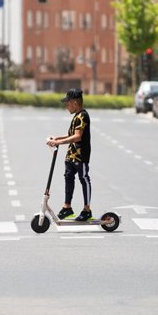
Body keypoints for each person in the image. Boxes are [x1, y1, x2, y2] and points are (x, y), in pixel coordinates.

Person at [46, 88, 93, 221]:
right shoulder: (76, 117)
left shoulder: (83, 116)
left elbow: (77, 137)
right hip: (71, 155)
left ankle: (87, 210)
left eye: (68, 103)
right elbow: (70, 135)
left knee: (84, 179)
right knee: (68, 177)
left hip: (80, 156)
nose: (67, 106)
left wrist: (58, 142)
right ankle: (67, 208)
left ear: (75, 103)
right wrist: (56, 139)